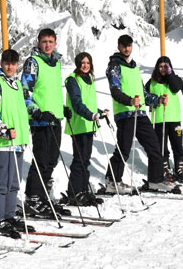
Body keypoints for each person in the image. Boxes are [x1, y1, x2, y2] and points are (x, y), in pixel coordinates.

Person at [104, 34, 175, 192]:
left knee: (154, 147)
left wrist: (157, 100)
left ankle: (155, 180)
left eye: (129, 45)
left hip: (140, 113)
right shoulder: (114, 66)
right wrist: (129, 101)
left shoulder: (134, 66)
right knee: (123, 149)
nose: (126, 48)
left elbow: (142, 93)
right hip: (125, 114)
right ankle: (112, 181)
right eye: (123, 45)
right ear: (119, 46)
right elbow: (115, 91)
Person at [21, 28, 70, 216]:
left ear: (55, 43)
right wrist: (37, 112)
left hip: (55, 119)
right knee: (41, 160)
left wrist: (61, 108)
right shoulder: (33, 63)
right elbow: (25, 92)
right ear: (39, 43)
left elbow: (51, 90)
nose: (47, 45)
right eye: (44, 41)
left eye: (51, 41)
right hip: (40, 121)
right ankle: (32, 199)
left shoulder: (55, 63)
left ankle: (43, 197)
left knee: (51, 161)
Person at [0, 49, 30, 237]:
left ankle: (9, 216)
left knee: (14, 182)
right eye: (7, 63)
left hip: (18, 141)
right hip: (4, 141)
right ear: (2, 64)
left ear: (17, 65)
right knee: (2, 182)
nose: (10, 67)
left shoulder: (17, 84)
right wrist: (3, 130)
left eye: (13, 63)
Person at [63, 52, 108, 205]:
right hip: (78, 124)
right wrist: (90, 115)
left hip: (88, 125)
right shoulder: (72, 80)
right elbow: (76, 103)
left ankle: (83, 190)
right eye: (82, 62)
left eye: (88, 62)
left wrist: (99, 113)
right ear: (77, 64)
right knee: (79, 160)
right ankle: (75, 192)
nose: (85, 65)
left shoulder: (89, 80)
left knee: (85, 160)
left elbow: (90, 104)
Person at [146, 56, 183, 180]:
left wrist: (170, 74)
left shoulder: (175, 79)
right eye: (161, 66)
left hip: (174, 117)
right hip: (159, 118)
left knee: (177, 144)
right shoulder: (151, 82)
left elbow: (176, 87)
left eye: (166, 66)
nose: (163, 69)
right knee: (161, 145)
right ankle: (164, 166)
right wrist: (155, 101)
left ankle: (179, 166)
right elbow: (146, 98)